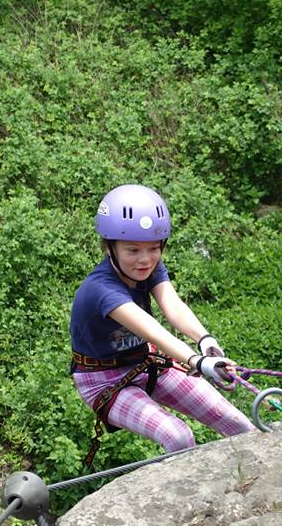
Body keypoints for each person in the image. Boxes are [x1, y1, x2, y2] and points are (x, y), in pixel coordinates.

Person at [70, 184, 255, 454]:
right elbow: (153, 331)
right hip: (103, 380)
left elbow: (172, 305)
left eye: (154, 248)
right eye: (132, 250)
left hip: (145, 363)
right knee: (178, 437)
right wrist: (197, 361)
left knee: (238, 424)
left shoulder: (148, 266)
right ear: (109, 248)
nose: (145, 260)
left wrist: (205, 341)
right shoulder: (101, 290)